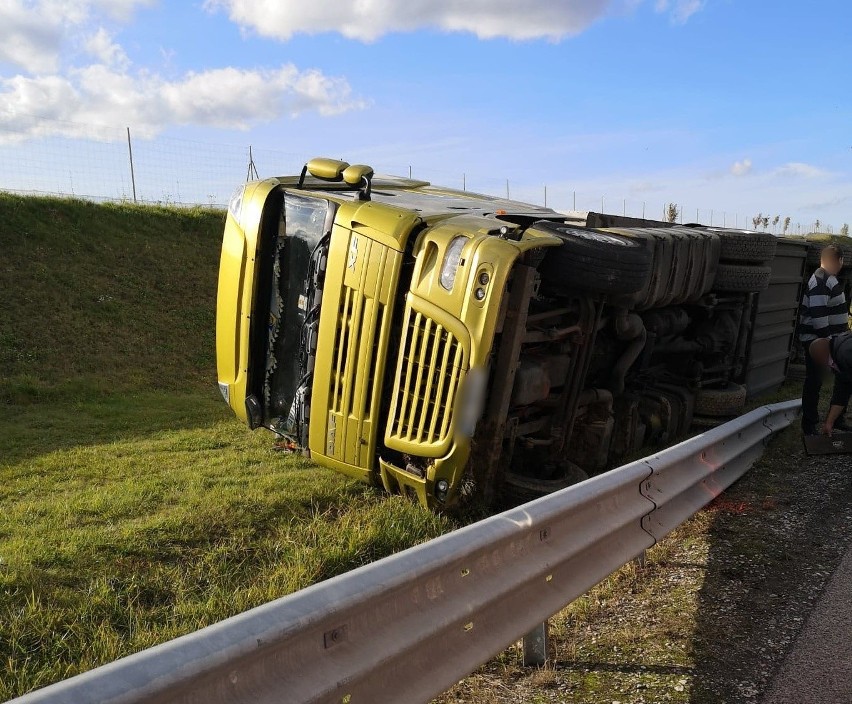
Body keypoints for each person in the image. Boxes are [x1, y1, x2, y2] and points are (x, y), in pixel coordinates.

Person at [798, 245, 849, 434]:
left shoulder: (826, 278)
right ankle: (809, 425)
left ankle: (837, 419)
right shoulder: (821, 280)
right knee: (815, 381)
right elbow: (818, 315)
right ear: (839, 261)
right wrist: (829, 343)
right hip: (818, 342)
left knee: (842, 378)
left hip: (828, 341)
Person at [808, 332, 852, 435]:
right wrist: (829, 423)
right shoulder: (837, 357)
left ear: (821, 355)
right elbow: (842, 392)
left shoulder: (845, 353)